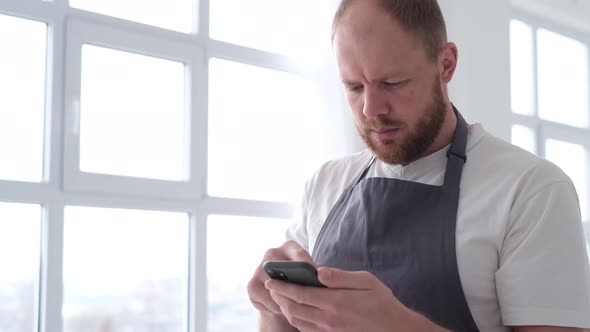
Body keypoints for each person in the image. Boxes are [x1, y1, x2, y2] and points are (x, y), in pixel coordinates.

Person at [247, 0, 590, 331]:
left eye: (392, 83)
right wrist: (272, 311)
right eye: (353, 87)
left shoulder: (531, 191)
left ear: (446, 64)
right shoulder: (324, 184)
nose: (370, 109)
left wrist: (399, 326)